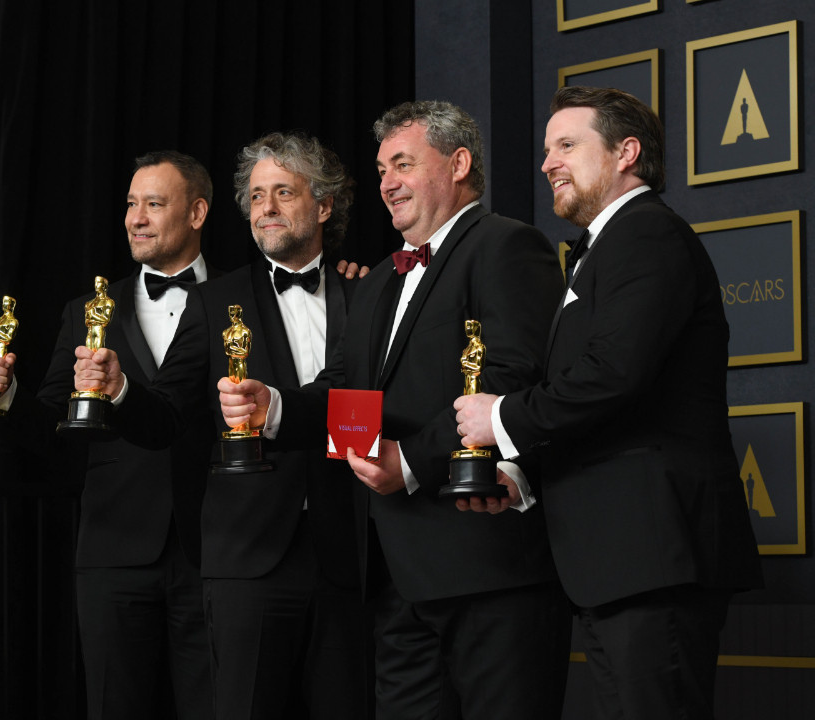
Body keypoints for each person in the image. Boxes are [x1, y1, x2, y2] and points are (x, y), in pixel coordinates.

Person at [218, 103, 572, 720]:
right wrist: (272, 407)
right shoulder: (380, 279)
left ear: (458, 164)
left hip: (487, 568)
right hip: (392, 579)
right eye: (382, 169)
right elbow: (347, 393)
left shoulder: (508, 245)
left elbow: (510, 381)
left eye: (403, 164)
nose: (387, 183)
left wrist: (408, 460)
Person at [453, 86, 764, 720]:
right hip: (617, 562)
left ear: (626, 152)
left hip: (652, 555)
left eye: (567, 145)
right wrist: (521, 476)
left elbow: (615, 375)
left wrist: (501, 417)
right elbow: (604, 400)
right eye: (547, 150)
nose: (548, 163)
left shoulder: (647, 233)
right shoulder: (610, 245)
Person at [77, 132, 367, 719]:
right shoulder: (214, 301)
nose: (266, 208)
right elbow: (166, 418)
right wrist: (120, 389)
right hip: (246, 558)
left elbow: (365, 410)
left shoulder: (367, 293)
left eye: (284, 192)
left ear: (324, 205)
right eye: (257, 196)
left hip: (349, 554)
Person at [0, 151, 215, 719]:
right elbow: (53, 429)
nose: (136, 218)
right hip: (113, 544)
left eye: (154, 204)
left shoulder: (243, 299)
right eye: (131, 204)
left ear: (197, 213)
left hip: (220, 546)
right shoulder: (85, 310)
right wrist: (6, 394)